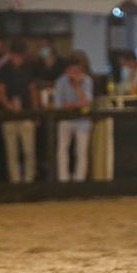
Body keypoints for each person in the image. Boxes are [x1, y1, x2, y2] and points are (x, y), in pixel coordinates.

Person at [0, 40, 39, 183]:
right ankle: (15, 181)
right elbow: (1, 92)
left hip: (26, 114)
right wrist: (9, 106)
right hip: (9, 115)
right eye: (16, 55)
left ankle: (29, 180)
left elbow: (33, 91)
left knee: (29, 151)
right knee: (12, 152)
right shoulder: (3, 70)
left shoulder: (29, 68)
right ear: (11, 54)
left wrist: (35, 112)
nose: (19, 58)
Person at [54, 51, 94, 182]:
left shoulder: (87, 80)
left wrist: (77, 87)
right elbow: (59, 105)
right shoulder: (60, 82)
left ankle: (80, 181)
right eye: (72, 70)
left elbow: (86, 102)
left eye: (77, 70)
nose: (75, 73)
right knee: (62, 150)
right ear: (67, 70)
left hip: (82, 121)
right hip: (65, 120)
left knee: (81, 151)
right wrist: (76, 105)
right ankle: (63, 180)